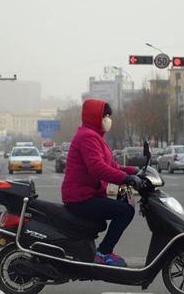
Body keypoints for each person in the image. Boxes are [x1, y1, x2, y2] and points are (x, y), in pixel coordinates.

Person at [61, 99, 142, 267]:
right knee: (125, 211)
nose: (108, 119)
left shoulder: (94, 136)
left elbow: (110, 165)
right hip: (80, 198)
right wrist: (125, 178)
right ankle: (104, 253)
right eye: (105, 115)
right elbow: (97, 168)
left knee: (123, 208)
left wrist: (132, 171)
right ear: (95, 117)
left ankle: (104, 252)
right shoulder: (88, 137)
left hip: (87, 195)